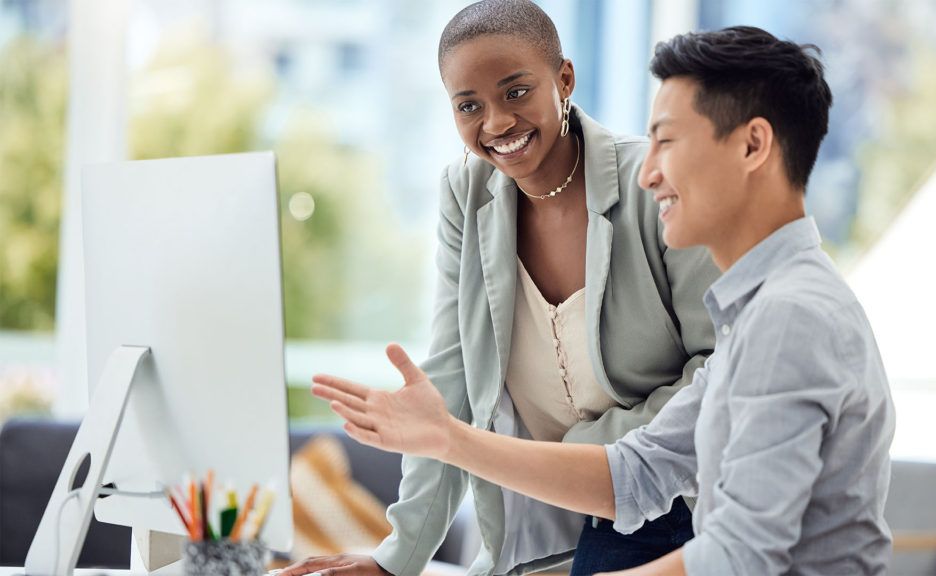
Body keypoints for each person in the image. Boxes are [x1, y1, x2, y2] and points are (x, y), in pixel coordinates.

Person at [313, 26, 897, 576]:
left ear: (752, 146)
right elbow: (639, 472)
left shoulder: (789, 317)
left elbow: (739, 554)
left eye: (667, 141)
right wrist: (447, 437)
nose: (648, 173)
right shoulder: (758, 311)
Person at [281, 2, 719, 575]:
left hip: (678, 499)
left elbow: (722, 366)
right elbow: (452, 378)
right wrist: (396, 560)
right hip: (544, 511)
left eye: (516, 92)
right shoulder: (466, 195)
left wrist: (581, 455)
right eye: (469, 105)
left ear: (564, 79)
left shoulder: (654, 184)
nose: (496, 123)